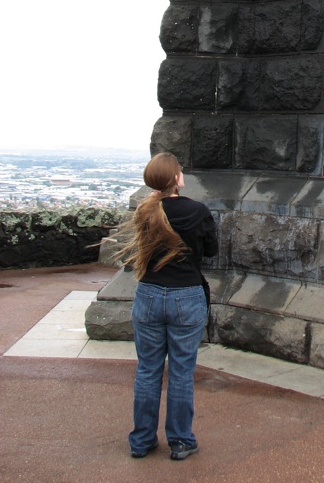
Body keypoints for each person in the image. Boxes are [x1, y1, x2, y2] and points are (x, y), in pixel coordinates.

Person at [117, 151, 218, 461]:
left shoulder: (145, 211)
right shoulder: (197, 211)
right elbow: (211, 251)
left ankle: (142, 440)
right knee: (181, 372)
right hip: (185, 296)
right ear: (177, 179)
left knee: (147, 370)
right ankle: (180, 440)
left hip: (148, 295)